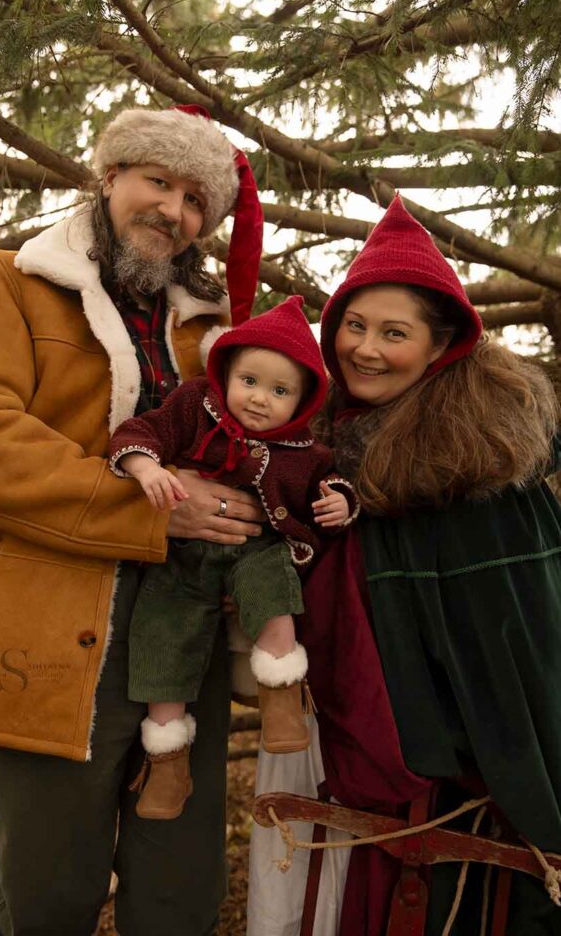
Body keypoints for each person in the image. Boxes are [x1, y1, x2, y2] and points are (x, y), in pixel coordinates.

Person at [0, 103, 268, 936]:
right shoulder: (13, 282)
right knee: (48, 894)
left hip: (186, 639)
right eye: (157, 182)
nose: (174, 210)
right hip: (45, 633)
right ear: (110, 178)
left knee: (178, 893)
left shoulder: (215, 331)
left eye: (197, 200)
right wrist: (148, 513)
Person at [248, 195, 561, 936]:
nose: (365, 349)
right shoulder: (324, 451)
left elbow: (520, 666)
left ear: (440, 345)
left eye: (395, 333)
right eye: (354, 326)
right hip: (350, 776)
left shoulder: (479, 481)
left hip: (463, 799)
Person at [109, 295, 358, 820]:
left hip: (256, 548)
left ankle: (283, 702)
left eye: (280, 390)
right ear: (226, 373)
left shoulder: (303, 447)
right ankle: (168, 763)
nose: (260, 399)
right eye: (249, 381)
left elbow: (329, 479)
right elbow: (142, 432)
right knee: (162, 636)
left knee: (274, 590)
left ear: (304, 401)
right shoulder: (196, 406)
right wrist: (146, 468)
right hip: (179, 556)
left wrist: (340, 499)